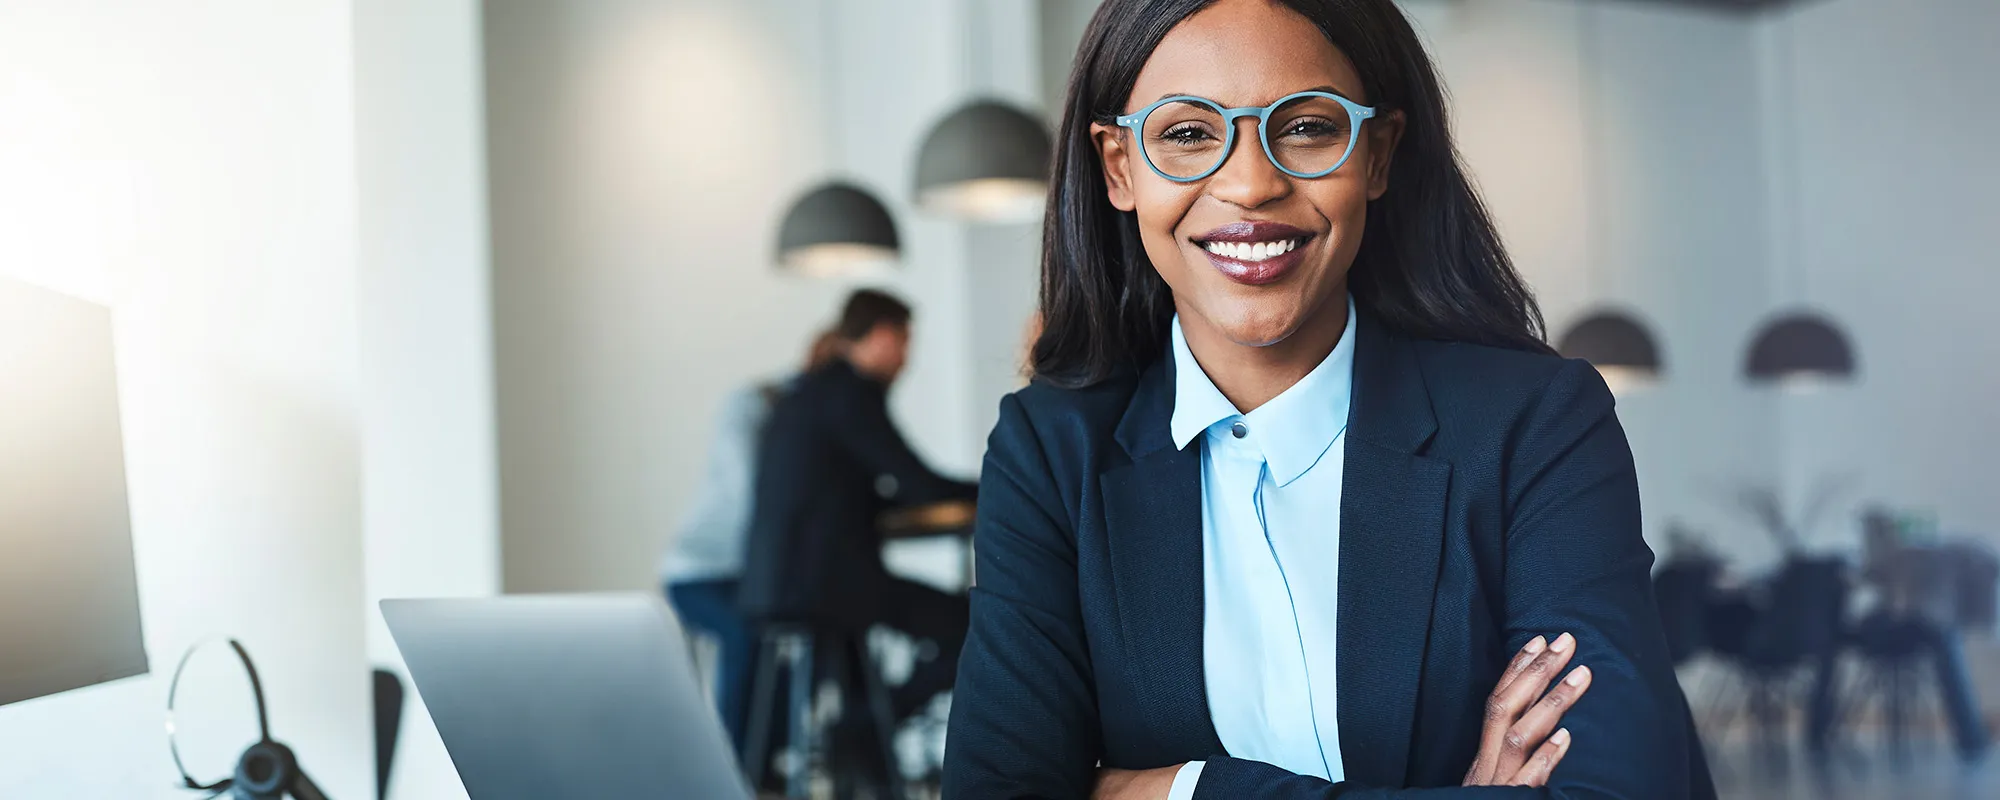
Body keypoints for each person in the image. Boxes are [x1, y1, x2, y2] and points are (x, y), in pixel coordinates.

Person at [943, 2, 1713, 798]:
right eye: (1187, 134)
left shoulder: (1535, 425)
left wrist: (1179, 791)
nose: (1250, 184)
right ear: (1118, 168)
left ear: (1377, 154)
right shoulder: (1050, 451)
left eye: (1308, 127)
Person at [738, 289, 978, 725]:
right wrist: (999, 487)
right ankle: (870, 723)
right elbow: (918, 485)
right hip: (824, 586)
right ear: (884, 336)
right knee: (977, 627)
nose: (907, 360)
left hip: (778, 583)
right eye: (906, 343)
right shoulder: (850, 394)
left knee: (884, 632)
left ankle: (863, 731)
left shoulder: (809, 392)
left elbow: (851, 491)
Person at [661, 329, 842, 754]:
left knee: (820, 631)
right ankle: (735, 766)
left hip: (756, 574)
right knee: (747, 634)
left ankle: (776, 760)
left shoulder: (817, 419)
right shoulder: (753, 405)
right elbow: (754, 498)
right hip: (699, 572)